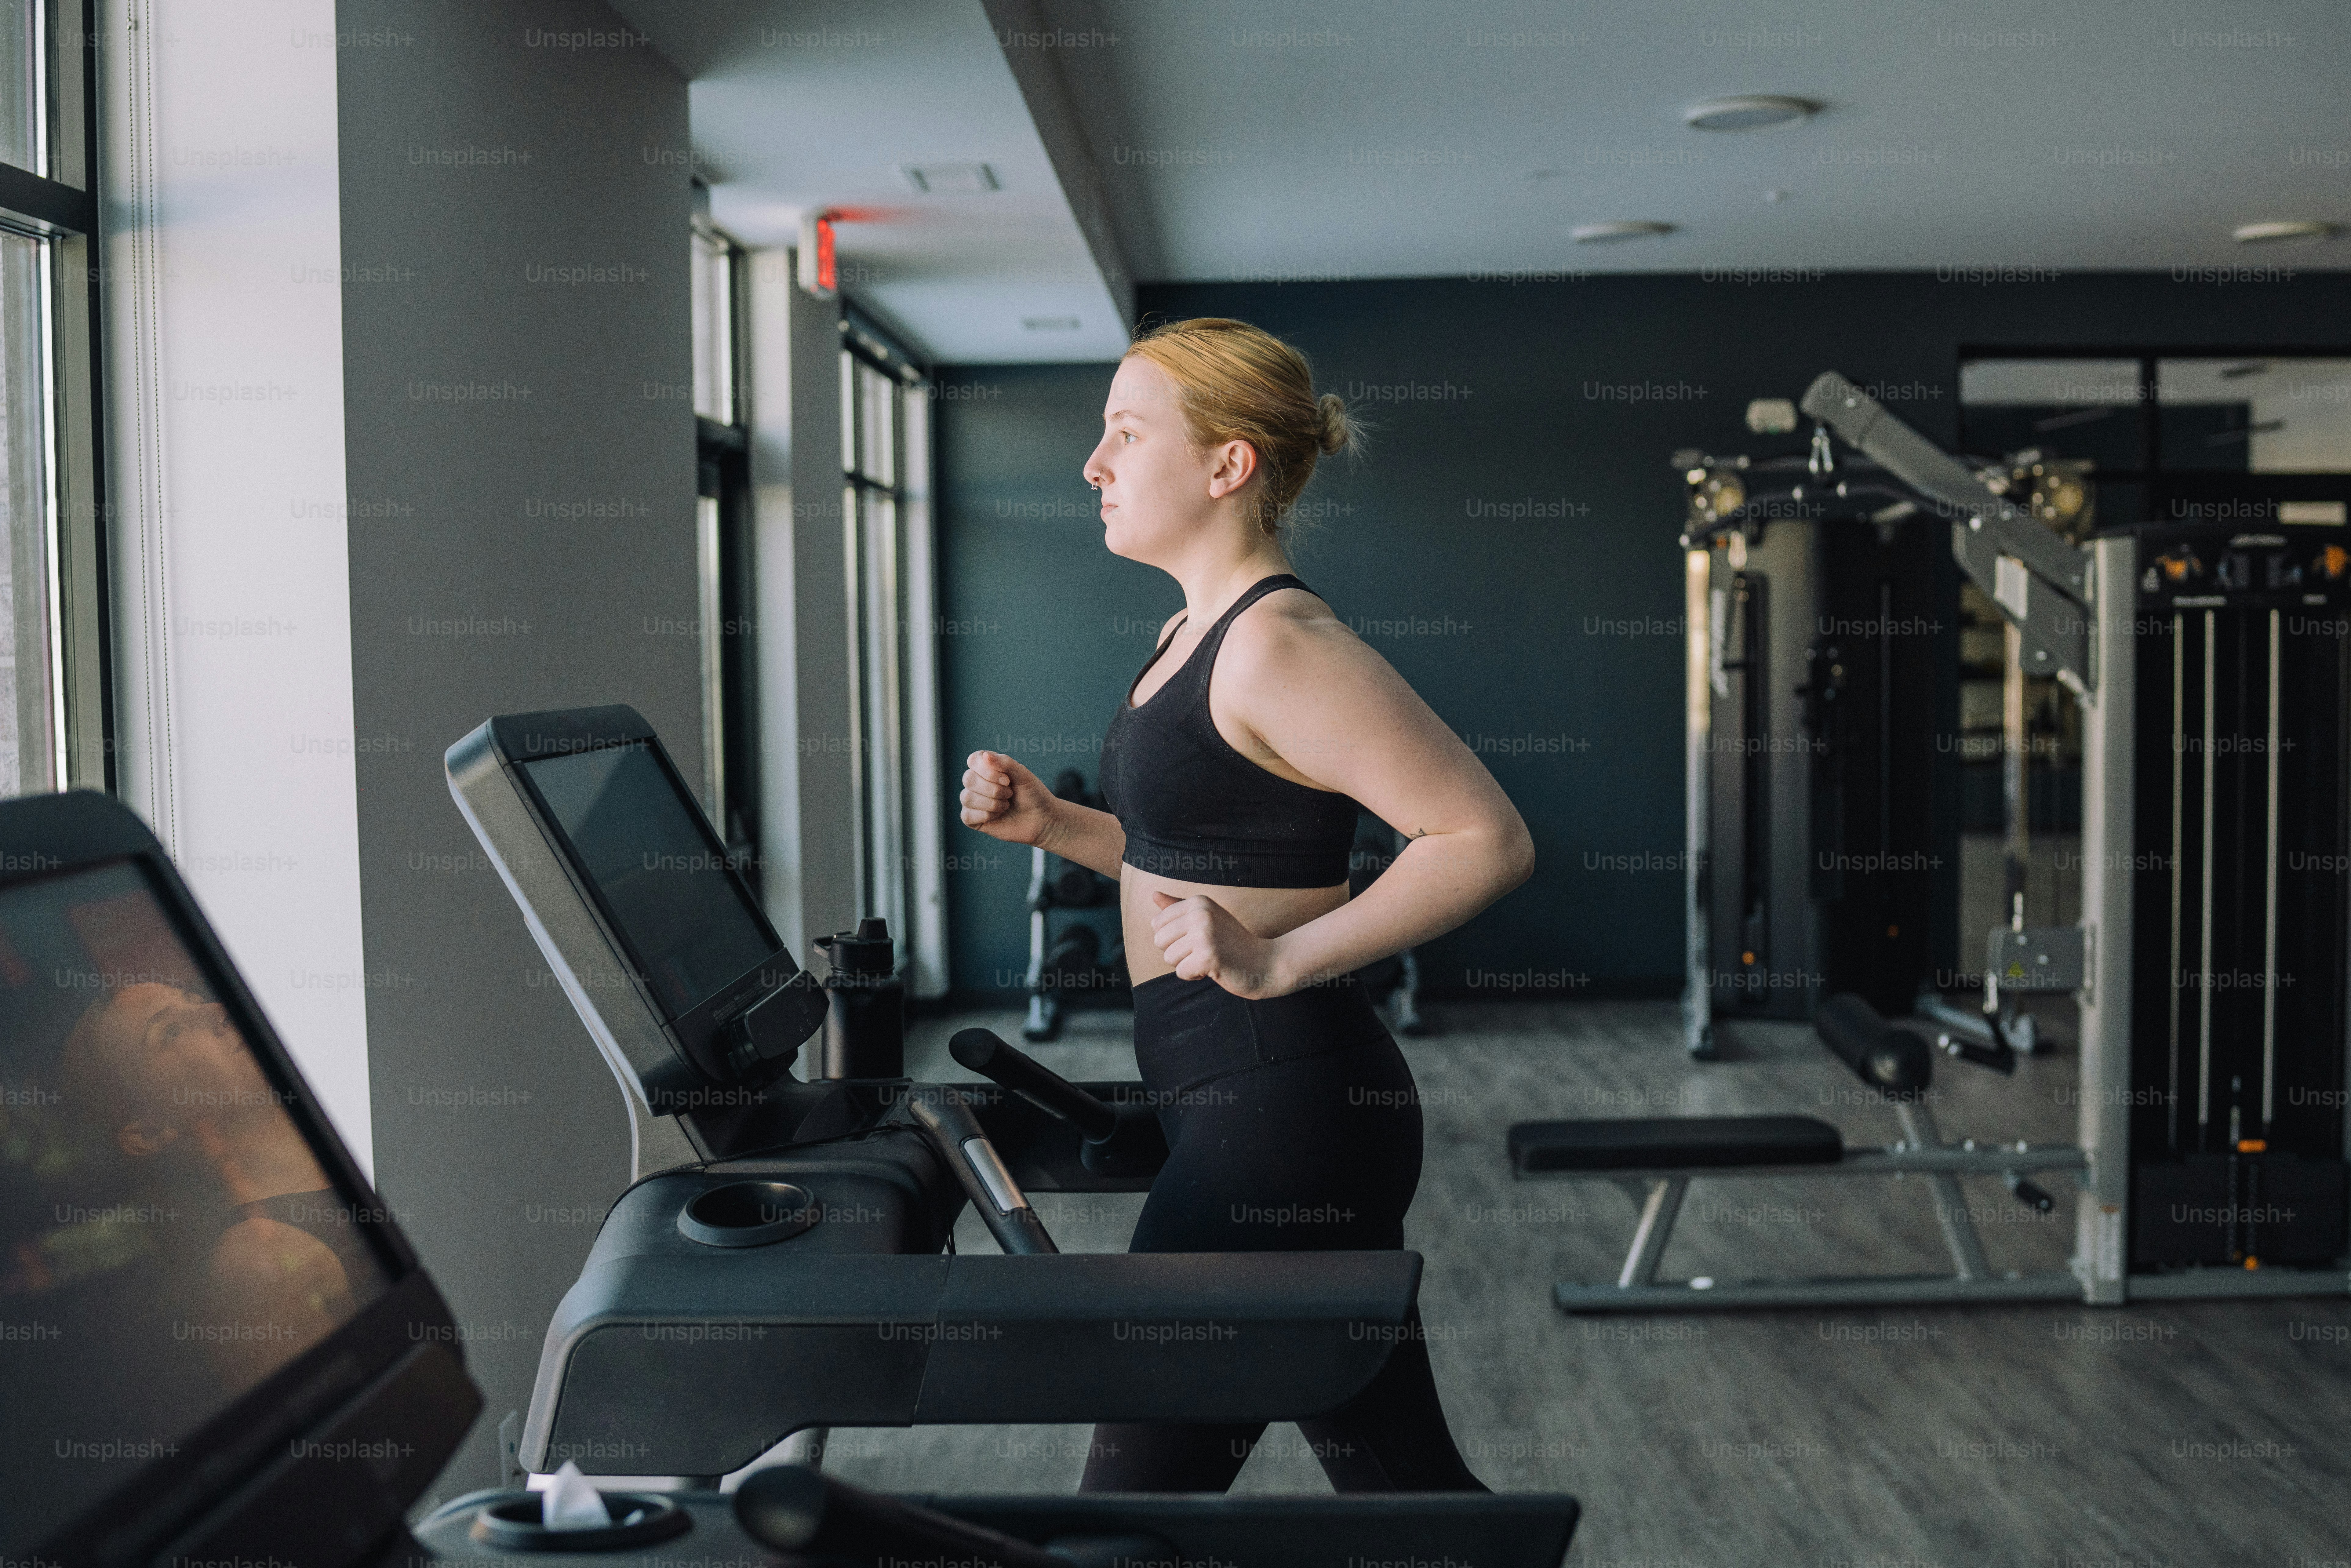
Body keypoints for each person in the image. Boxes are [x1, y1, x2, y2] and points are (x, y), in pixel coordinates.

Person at [959, 317, 1534, 1492]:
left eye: (1125, 434)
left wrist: (1280, 963)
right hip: (1249, 1097)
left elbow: (1483, 838)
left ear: (1229, 466)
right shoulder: (1188, 633)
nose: (1094, 464)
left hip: (1283, 1113)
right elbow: (1195, 857)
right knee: (1408, 1492)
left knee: (1133, 1512)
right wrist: (1059, 830)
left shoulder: (1278, 642)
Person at [59, 981, 380, 1390]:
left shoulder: (352, 1126)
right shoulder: (257, 1266)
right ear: (149, 1131)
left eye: (194, 1000)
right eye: (170, 1032)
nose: (215, 1011)